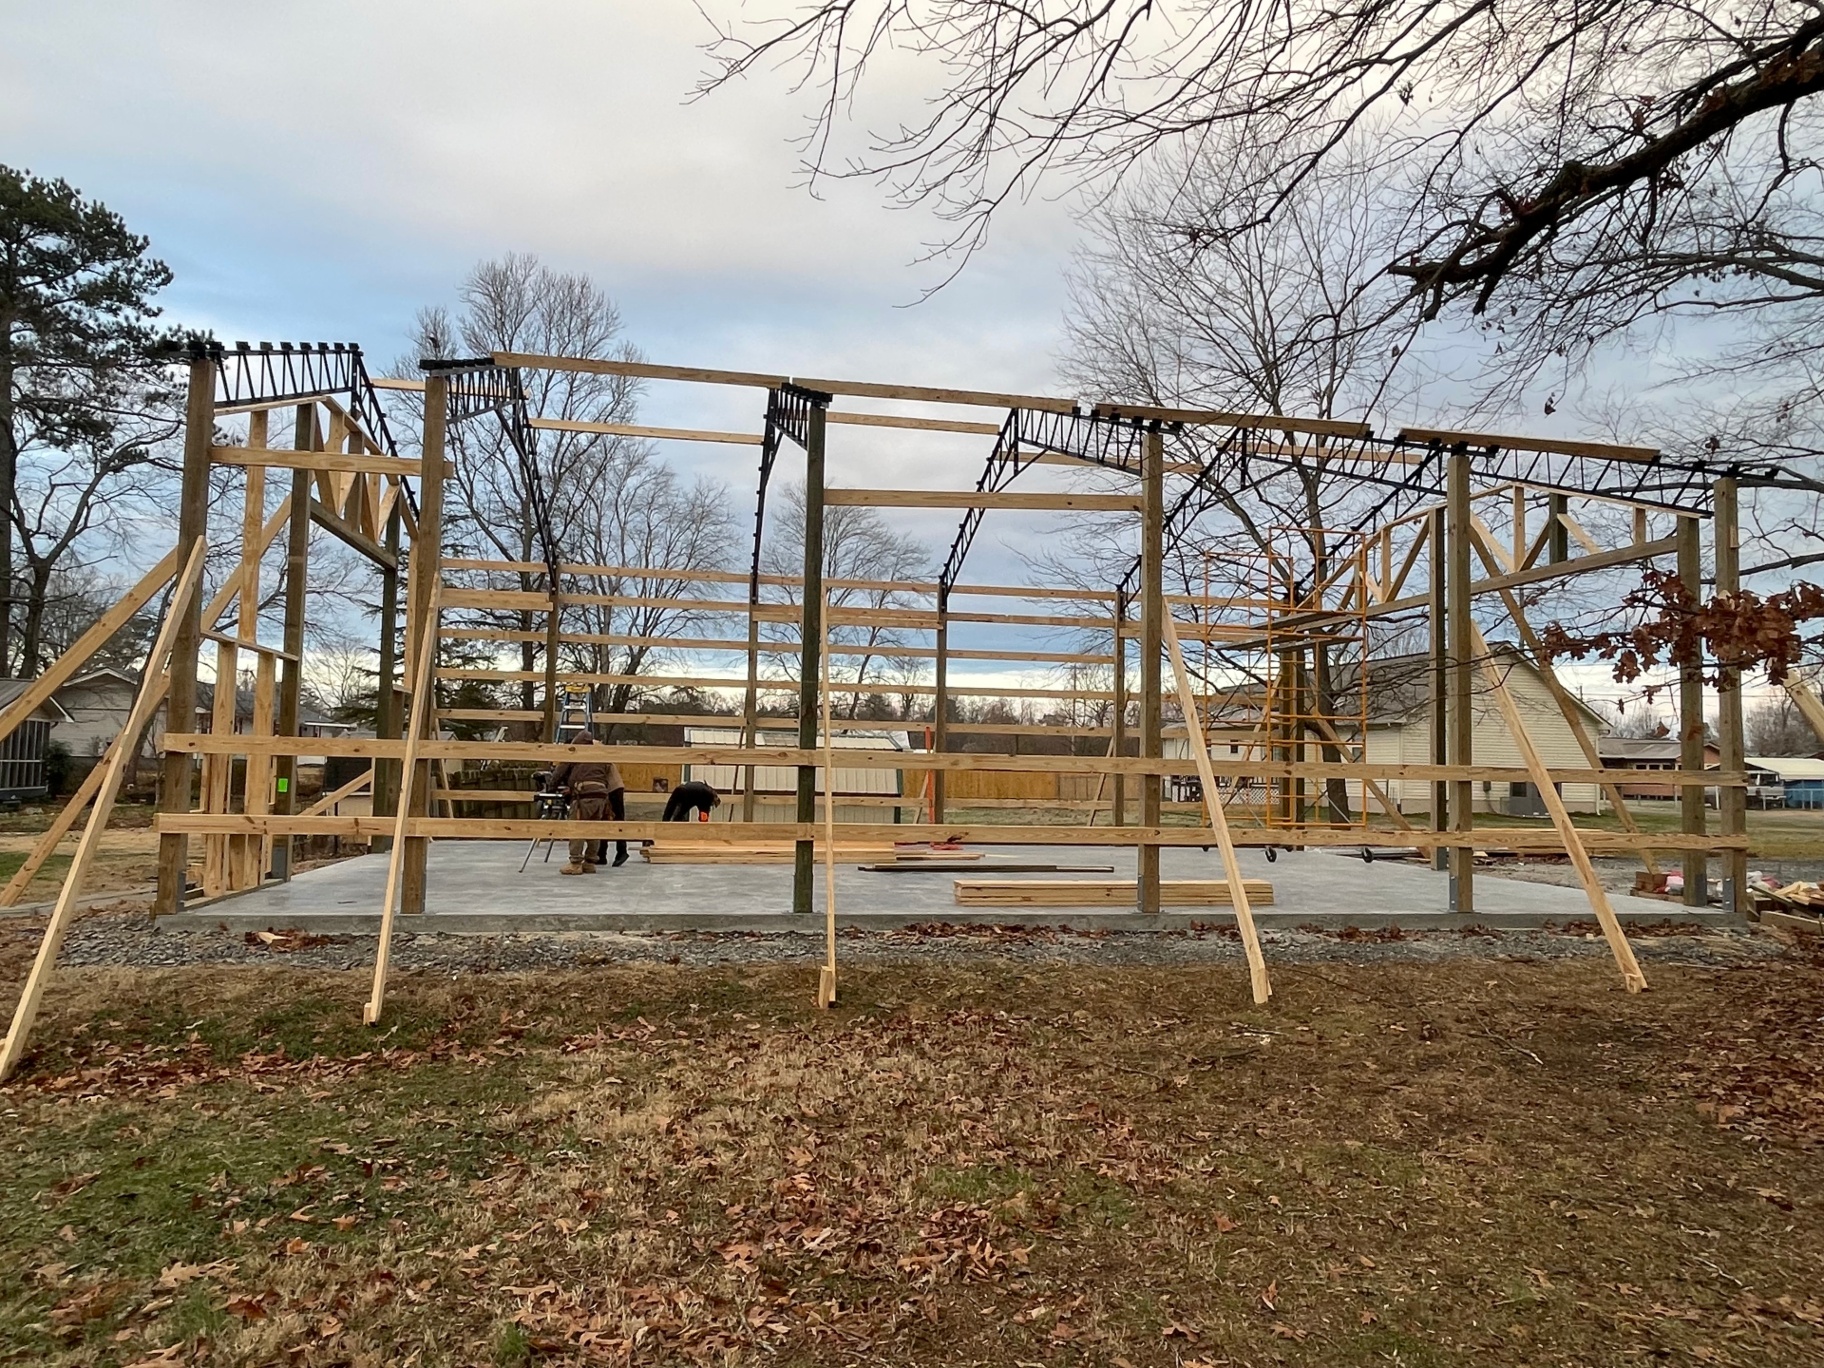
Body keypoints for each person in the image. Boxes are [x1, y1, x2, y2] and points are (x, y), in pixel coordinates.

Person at [551, 734, 629, 873]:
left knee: (577, 827)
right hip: (601, 796)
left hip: (584, 795)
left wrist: (552, 787)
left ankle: (575, 863)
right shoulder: (600, 755)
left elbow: (559, 772)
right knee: (594, 828)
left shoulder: (575, 753)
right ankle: (590, 861)